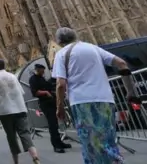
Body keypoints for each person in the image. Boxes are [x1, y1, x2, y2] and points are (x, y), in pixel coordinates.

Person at [52, 27, 138, 164]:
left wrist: (59, 106)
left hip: (82, 103)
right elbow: (121, 63)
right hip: (106, 100)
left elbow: (60, 84)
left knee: (91, 145)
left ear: (59, 41)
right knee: (108, 141)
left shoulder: (61, 54)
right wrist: (130, 92)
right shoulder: (92, 48)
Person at [0, 58, 40, 164]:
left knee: (11, 136)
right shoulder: (12, 76)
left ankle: (16, 161)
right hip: (20, 108)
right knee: (25, 133)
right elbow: (21, 92)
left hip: (5, 111)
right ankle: (35, 157)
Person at [29, 63, 71, 153]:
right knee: (52, 124)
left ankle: (60, 142)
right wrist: (45, 93)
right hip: (45, 103)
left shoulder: (42, 78)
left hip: (52, 101)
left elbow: (49, 86)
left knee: (55, 124)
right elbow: (35, 92)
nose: (43, 72)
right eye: (42, 70)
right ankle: (56, 145)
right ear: (38, 69)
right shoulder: (33, 79)